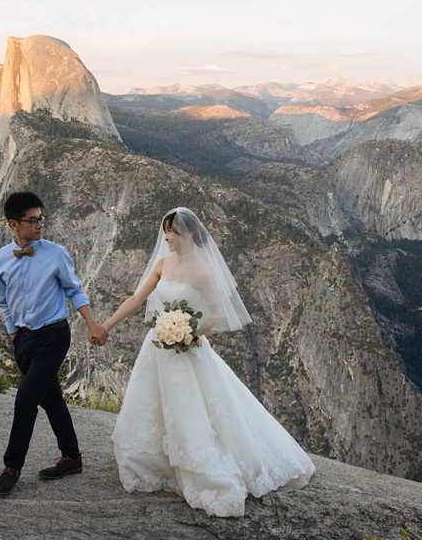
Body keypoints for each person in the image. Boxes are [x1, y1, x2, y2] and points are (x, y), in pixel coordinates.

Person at [102, 207, 315, 517]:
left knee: (190, 409)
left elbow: (216, 313)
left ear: (188, 233)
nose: (166, 237)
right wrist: (105, 326)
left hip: (186, 348)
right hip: (156, 348)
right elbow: (136, 300)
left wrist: (188, 334)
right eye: (165, 231)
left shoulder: (201, 270)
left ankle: (199, 465)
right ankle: (154, 460)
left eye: (172, 231)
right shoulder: (162, 264)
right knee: (154, 403)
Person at [0, 191, 109, 496]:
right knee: (51, 398)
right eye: (33, 220)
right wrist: (14, 335)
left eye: (41, 217)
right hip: (24, 341)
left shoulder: (56, 253)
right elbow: (3, 302)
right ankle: (72, 457)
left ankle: (12, 466)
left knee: (25, 399)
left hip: (54, 336)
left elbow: (75, 291)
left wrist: (92, 323)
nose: (40, 224)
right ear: (14, 224)